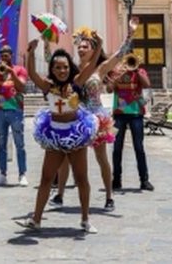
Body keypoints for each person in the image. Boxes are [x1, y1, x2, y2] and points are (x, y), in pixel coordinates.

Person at [16, 43, 99, 233]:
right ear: (52, 69)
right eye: (58, 67)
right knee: (46, 178)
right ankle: (36, 219)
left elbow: (92, 66)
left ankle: (85, 220)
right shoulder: (48, 86)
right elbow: (32, 74)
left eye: (65, 67)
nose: (62, 70)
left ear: (70, 68)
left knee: (81, 178)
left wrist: (100, 45)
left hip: (76, 134)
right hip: (54, 134)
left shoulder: (77, 83)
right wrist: (30, 53)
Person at [52, 21, 134, 212]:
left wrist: (130, 34)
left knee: (101, 157)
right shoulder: (71, 70)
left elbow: (120, 55)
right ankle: (59, 194)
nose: (81, 49)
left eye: (85, 46)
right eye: (79, 46)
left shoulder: (100, 68)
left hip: (97, 117)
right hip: (76, 117)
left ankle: (109, 196)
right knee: (65, 157)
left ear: (93, 49)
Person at [109, 49, 153, 191]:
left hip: (136, 113)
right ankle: (116, 179)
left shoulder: (139, 71)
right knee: (117, 148)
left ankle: (144, 180)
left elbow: (146, 84)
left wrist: (137, 70)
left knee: (139, 147)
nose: (127, 62)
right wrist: (117, 76)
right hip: (119, 113)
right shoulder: (116, 71)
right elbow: (109, 89)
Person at [0, 44, 28, 187]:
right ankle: (2, 173)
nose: (4, 57)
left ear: (11, 55)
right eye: (2, 55)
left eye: (7, 55)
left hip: (15, 110)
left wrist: (11, 71)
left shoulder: (20, 70)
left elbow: (21, 87)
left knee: (19, 143)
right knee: (1, 144)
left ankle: (22, 173)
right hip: (0, 110)